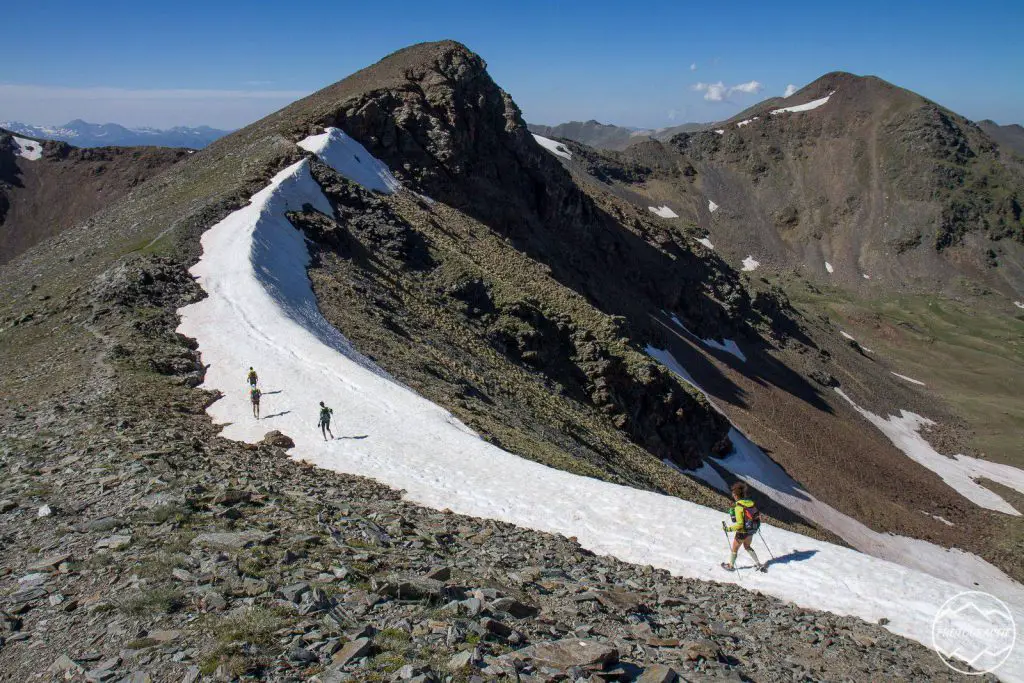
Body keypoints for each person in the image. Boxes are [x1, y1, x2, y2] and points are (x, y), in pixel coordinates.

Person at [722, 481, 764, 571]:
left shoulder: (738, 507)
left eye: (733, 494)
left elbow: (739, 524)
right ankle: (758, 563)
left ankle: (730, 566)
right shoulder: (750, 503)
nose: (733, 496)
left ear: (735, 495)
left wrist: (728, 529)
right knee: (747, 546)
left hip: (742, 532)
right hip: (751, 530)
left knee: (734, 549)